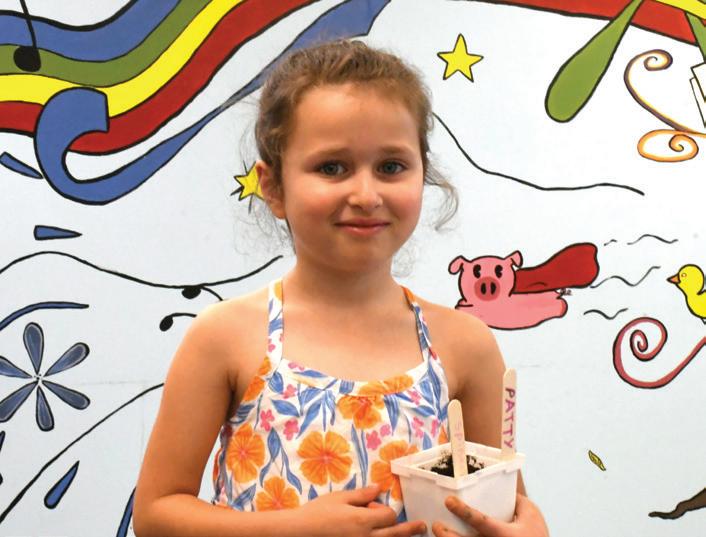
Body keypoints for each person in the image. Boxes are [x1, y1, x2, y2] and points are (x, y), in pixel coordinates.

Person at [133, 39, 549, 537]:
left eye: (391, 167)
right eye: (332, 167)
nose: (366, 194)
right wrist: (295, 530)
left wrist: (528, 531)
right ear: (273, 187)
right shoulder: (225, 337)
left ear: (422, 174)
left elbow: (505, 506)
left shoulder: (465, 344)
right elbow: (156, 515)